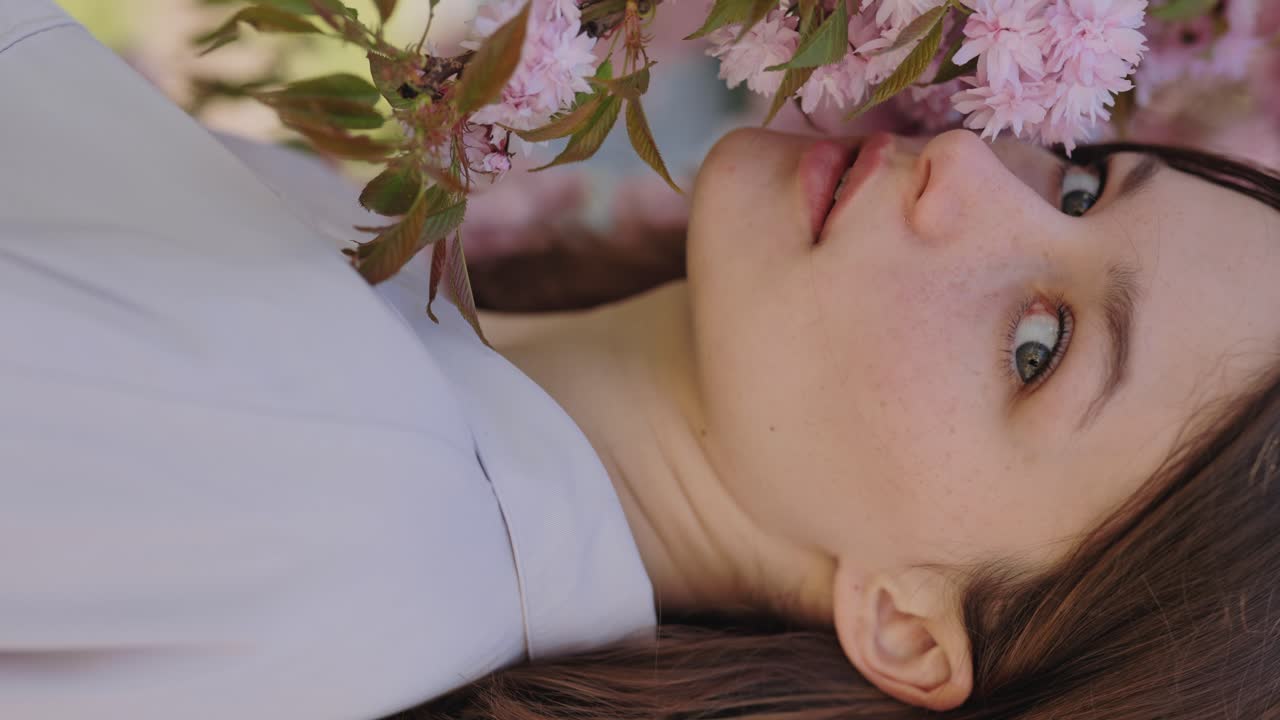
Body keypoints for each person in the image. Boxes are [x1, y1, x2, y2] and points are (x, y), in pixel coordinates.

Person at [3, 3, 1280, 720]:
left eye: (1037, 346)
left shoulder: (346, 483)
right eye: (1076, 181)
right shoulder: (399, 402)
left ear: (902, 621)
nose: (963, 166)